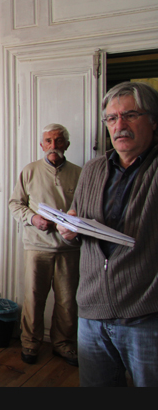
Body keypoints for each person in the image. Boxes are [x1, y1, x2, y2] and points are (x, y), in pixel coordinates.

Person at [58, 82, 158, 387]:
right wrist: (68, 230)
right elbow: (76, 225)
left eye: (130, 115)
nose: (119, 125)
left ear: (153, 120)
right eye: (112, 118)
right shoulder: (92, 169)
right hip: (91, 311)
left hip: (146, 315)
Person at [9, 123, 82, 366]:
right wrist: (33, 219)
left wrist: (73, 221)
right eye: (48, 141)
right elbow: (15, 204)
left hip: (69, 248)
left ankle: (64, 344)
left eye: (58, 140)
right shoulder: (29, 171)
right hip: (37, 246)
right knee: (33, 298)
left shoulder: (80, 173)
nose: (53, 145)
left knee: (67, 301)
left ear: (66, 145)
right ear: (41, 145)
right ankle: (30, 344)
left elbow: (86, 208)